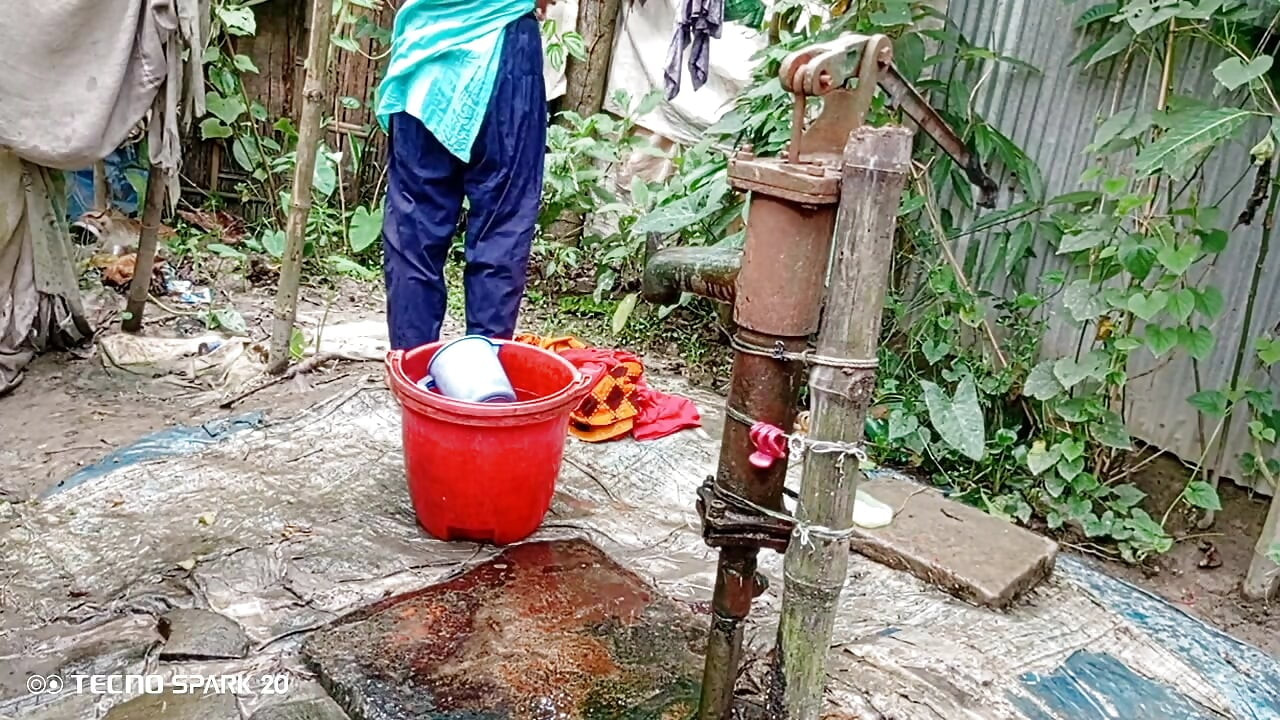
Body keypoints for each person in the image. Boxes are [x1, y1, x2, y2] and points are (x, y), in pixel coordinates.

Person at [376, 0, 553, 350]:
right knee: (502, 226)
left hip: (426, 52)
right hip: (505, 49)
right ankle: (482, 382)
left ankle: (413, 375)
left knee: (414, 227)